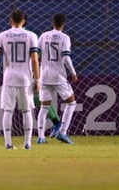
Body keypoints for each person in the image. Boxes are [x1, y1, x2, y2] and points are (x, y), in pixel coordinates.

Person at [0, 9, 40, 150]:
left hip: (9, 77)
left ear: (11, 20)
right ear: (24, 21)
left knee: (8, 111)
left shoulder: (3, 35)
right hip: (25, 79)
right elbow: (35, 60)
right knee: (27, 111)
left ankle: (8, 143)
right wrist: (37, 79)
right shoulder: (32, 36)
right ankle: (27, 143)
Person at [37, 13, 78, 144]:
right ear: (63, 24)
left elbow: (36, 54)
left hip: (44, 76)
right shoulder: (65, 38)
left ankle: (41, 137)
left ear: (52, 23)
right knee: (71, 103)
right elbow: (66, 57)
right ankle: (63, 132)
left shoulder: (43, 36)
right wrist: (73, 72)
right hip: (58, 76)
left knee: (44, 108)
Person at [22, 14, 62, 139]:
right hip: (22, 72)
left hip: (32, 72)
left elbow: (37, 54)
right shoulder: (10, 35)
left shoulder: (30, 36)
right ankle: (56, 123)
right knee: (33, 100)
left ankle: (57, 123)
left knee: (37, 99)